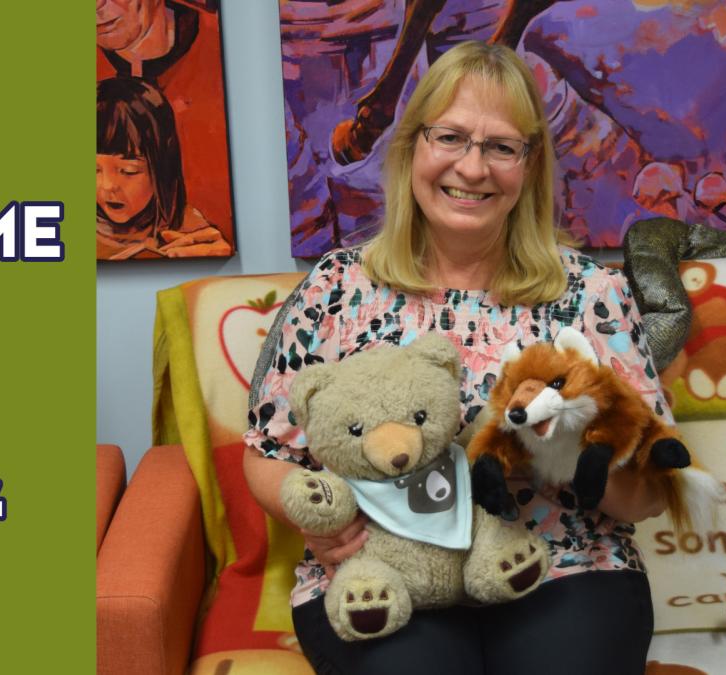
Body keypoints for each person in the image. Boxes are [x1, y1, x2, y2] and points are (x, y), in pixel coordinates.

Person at [243, 41, 669, 675]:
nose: (472, 168)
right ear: (413, 146)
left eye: (501, 147)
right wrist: (318, 517)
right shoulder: (335, 289)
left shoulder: (592, 295)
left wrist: (564, 454)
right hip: (388, 573)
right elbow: (268, 454)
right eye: (450, 137)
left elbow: (650, 497)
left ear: (530, 165)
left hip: (565, 566)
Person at [97, 76, 232, 260]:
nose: (108, 185)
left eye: (128, 170)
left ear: (161, 169)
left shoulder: (187, 227)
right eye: (94, 170)